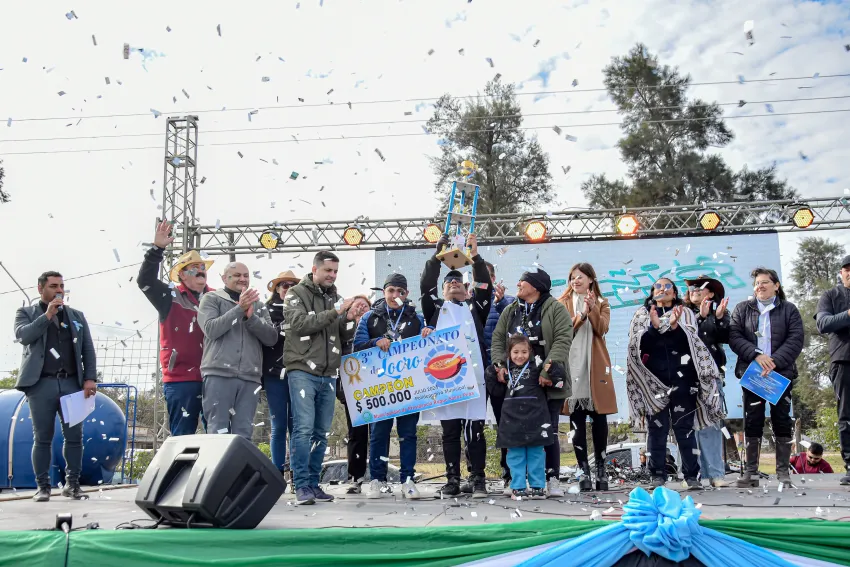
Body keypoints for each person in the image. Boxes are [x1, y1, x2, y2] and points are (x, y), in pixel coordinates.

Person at [283, 251, 369, 505]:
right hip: (302, 370)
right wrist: (336, 311)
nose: (332, 276)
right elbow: (300, 325)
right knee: (303, 429)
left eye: (335, 272)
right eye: (328, 271)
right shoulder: (295, 294)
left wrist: (350, 319)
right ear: (315, 269)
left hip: (329, 374)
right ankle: (300, 485)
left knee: (321, 433)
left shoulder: (334, 297)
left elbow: (341, 335)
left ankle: (313, 483)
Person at [626, 278, 724, 491]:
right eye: (658, 287)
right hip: (653, 382)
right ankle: (657, 475)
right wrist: (653, 328)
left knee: (684, 429)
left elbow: (691, 342)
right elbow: (637, 346)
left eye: (667, 287)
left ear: (675, 292)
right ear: (652, 292)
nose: (663, 290)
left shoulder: (685, 312)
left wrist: (673, 327)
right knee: (657, 429)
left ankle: (691, 476)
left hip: (683, 380)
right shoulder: (641, 314)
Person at [14, 271, 97, 501]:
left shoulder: (76, 316)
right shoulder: (26, 313)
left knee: (74, 437)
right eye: (53, 286)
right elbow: (23, 336)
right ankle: (43, 486)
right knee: (42, 437)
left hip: (71, 382)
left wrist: (90, 378)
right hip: (41, 384)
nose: (59, 290)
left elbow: (88, 349)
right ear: (41, 289)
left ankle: (73, 484)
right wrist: (47, 315)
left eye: (61, 286)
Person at [420, 234, 492, 498]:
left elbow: (485, 285)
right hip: (445, 380)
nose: (453, 284)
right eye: (449, 282)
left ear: (466, 288)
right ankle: (452, 479)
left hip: (474, 378)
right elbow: (425, 285)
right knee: (450, 432)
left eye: (458, 282)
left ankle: (478, 478)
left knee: (474, 431)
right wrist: (437, 255)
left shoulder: (477, 307)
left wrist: (475, 255)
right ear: (443, 290)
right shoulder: (435, 309)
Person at [491, 267, 573, 498]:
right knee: (512, 433)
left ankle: (551, 479)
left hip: (545, 382)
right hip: (516, 386)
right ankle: (513, 481)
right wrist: (500, 365)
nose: (518, 285)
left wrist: (548, 368)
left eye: (522, 282)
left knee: (548, 431)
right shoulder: (511, 310)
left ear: (535, 287)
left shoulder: (555, 308)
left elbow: (563, 338)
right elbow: (498, 338)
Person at [354, 273, 432, 500]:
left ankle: (407, 480)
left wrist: (429, 332)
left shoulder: (417, 319)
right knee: (379, 434)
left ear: (406, 294)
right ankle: (377, 480)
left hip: (409, 386)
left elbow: (427, 348)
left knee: (408, 434)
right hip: (380, 388)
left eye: (400, 291)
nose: (395, 295)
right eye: (391, 290)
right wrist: (374, 342)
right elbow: (356, 348)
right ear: (384, 292)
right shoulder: (369, 317)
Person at [137, 220, 213, 436]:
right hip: (182, 379)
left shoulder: (217, 297)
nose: (200, 271)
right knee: (182, 437)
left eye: (202, 268)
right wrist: (157, 249)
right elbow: (145, 281)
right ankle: (181, 471)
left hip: (214, 376)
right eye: (193, 268)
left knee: (217, 436)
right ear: (181, 274)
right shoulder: (170, 297)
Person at [729, 268, 803, 487]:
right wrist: (756, 355)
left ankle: (783, 473)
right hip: (753, 373)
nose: (759, 286)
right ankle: (751, 472)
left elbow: (796, 338)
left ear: (776, 285)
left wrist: (774, 361)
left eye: (764, 282)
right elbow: (734, 336)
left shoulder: (789, 309)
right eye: (757, 283)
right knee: (753, 420)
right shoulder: (743, 309)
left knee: (781, 420)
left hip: (780, 374)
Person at [198, 262, 277, 441]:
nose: (243, 279)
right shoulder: (211, 299)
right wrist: (238, 309)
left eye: (246, 275)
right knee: (218, 432)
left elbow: (271, 338)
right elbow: (211, 329)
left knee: (244, 434)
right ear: (225, 278)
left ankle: (239, 470)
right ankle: (219, 470)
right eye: (237, 275)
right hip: (219, 374)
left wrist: (251, 318)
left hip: (250, 377)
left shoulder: (259, 305)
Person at [558, 263, 617, 492]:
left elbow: (602, 329)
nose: (576, 281)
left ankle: (601, 469)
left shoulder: (603, 303)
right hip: (573, 364)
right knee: (577, 418)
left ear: (591, 280)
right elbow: (564, 331)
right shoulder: (562, 303)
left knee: (599, 416)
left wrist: (592, 309)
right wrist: (581, 315)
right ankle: (583, 470)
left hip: (595, 364)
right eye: (573, 278)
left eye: (580, 277)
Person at [493, 334, 558, 501]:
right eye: (515, 352)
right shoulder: (504, 370)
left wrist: (553, 369)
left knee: (536, 453)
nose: (519, 356)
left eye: (524, 351)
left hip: (535, 417)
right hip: (511, 419)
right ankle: (518, 487)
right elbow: (494, 390)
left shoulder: (538, 368)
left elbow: (558, 381)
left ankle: (538, 486)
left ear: (530, 351)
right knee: (515, 455)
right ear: (509, 353)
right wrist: (493, 370)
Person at [683, 275, 731, 488]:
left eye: (698, 287)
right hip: (684, 375)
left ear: (710, 293)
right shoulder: (681, 312)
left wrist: (713, 318)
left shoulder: (719, 312)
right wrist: (698, 318)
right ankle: (694, 474)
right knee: (686, 425)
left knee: (710, 423)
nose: (694, 289)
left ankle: (715, 473)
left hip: (710, 375)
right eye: (691, 287)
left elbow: (724, 337)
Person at [261, 270, 300, 489]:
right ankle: (277, 473)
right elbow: (265, 337)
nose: (287, 288)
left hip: (297, 372)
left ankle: (295, 474)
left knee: (296, 426)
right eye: (283, 285)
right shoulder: (266, 310)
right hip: (274, 374)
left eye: (292, 285)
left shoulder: (302, 309)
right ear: (276, 289)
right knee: (278, 425)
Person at [815, 254, 850, 485]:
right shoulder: (831, 295)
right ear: (841, 272)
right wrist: (848, 315)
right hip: (844, 360)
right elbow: (823, 324)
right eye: (846, 269)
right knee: (847, 416)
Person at [483, 261, 514, 490]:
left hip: (500, 372)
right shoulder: (465, 303)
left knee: (506, 423)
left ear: (494, 278)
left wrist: (501, 302)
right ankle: (476, 475)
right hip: (472, 374)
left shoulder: (509, 302)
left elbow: (517, 326)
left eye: (486, 278)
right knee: (472, 426)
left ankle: (509, 472)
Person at [336, 295, 372, 494]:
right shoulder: (344, 333)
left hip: (378, 390)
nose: (361, 308)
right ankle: (355, 478)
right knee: (356, 435)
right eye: (357, 305)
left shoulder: (376, 328)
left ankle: (378, 477)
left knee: (378, 434)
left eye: (365, 305)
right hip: (353, 391)